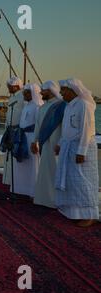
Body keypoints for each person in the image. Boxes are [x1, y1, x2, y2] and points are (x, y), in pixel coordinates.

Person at [55, 79, 99, 227]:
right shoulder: (68, 106)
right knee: (71, 181)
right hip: (68, 146)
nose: (60, 93)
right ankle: (73, 212)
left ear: (73, 90)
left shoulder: (84, 105)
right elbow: (66, 128)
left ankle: (90, 214)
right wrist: (60, 143)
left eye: (63, 90)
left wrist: (82, 151)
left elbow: (88, 130)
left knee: (83, 181)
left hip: (82, 148)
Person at [31, 81, 66, 208]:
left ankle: (56, 201)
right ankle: (44, 199)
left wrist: (61, 142)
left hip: (57, 144)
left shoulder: (61, 106)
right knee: (45, 171)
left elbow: (65, 127)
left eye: (43, 90)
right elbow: (38, 126)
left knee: (55, 171)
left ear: (51, 91)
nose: (40, 92)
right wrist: (34, 141)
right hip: (44, 143)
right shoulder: (42, 107)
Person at [12, 83, 42, 197]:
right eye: (24, 92)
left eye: (27, 92)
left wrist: (36, 141)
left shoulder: (38, 106)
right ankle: (22, 189)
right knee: (22, 164)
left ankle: (32, 192)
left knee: (32, 164)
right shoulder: (27, 105)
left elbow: (38, 125)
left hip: (32, 138)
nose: (24, 94)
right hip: (23, 137)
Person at [1, 76, 25, 186]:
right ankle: (10, 181)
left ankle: (17, 182)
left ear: (16, 87)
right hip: (10, 130)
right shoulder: (12, 98)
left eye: (10, 86)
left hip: (18, 131)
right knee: (9, 157)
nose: (8, 88)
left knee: (16, 157)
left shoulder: (23, 97)